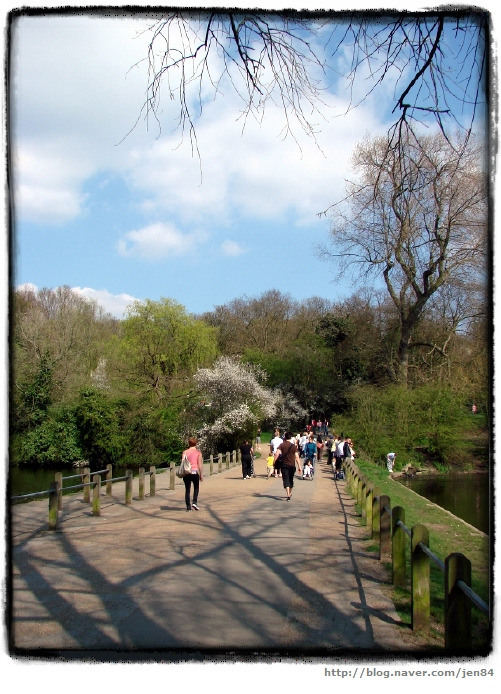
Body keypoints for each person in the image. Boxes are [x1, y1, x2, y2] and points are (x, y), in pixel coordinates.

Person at [275, 432, 302, 501]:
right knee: (290, 479)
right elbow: (297, 457)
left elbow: (277, 454)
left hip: (284, 465)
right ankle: (290, 492)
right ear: (291, 437)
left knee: (286, 479)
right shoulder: (293, 446)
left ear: (285, 437)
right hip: (292, 465)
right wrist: (299, 466)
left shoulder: (282, 445)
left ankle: (288, 494)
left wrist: (274, 462)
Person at [182, 437, 204, 511]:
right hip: (194, 472)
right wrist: (201, 474)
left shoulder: (185, 452)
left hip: (187, 472)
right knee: (196, 487)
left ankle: (188, 507)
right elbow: (200, 464)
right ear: (196, 443)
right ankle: (194, 502)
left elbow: (183, 462)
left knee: (187, 490)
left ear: (189, 443)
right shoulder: (198, 453)